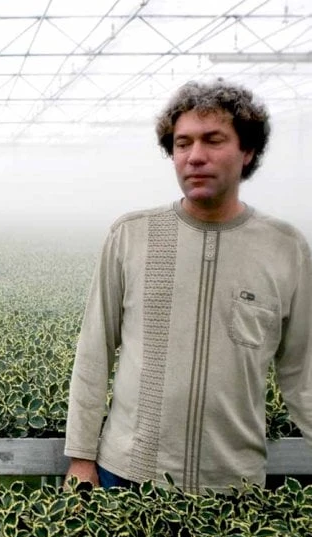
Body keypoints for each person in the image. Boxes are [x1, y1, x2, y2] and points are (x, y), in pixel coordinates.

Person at [64, 79, 312, 493]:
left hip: (233, 484)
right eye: (183, 144)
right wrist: (80, 457)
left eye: (213, 140)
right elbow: (94, 351)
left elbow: (303, 371)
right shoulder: (131, 235)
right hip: (129, 475)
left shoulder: (285, 247)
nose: (195, 156)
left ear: (247, 151)